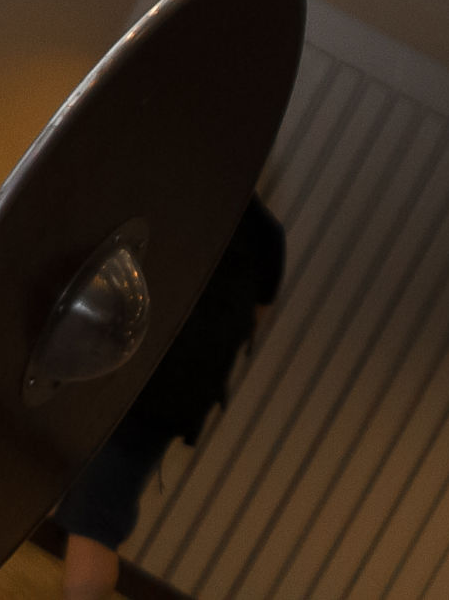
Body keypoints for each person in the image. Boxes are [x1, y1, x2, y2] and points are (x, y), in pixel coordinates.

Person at [52, 196, 285, 599]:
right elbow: (255, 319)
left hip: (137, 373)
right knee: (98, 508)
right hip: (178, 393)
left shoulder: (180, 193)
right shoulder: (267, 235)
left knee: (94, 518)